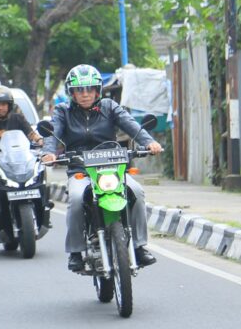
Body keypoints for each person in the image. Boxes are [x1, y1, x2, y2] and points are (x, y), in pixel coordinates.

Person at [41, 65, 162, 272]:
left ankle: (139, 246)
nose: (85, 94)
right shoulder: (63, 111)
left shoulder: (109, 107)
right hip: (80, 170)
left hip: (112, 168)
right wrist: (49, 152)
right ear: (72, 93)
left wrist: (149, 142)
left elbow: (131, 124)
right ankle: (76, 251)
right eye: (79, 90)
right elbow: (53, 133)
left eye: (89, 89)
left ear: (97, 91)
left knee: (137, 192)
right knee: (76, 199)